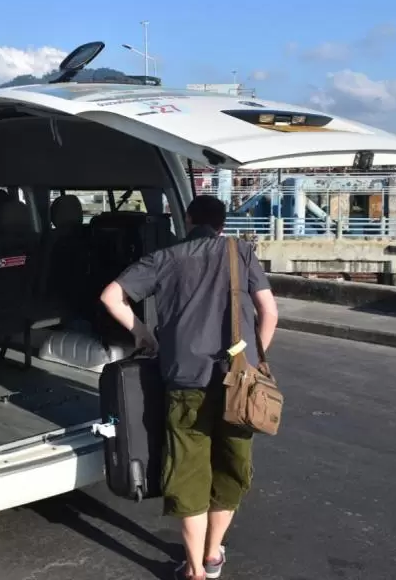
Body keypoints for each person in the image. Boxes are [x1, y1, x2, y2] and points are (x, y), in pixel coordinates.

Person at [99, 195, 278, 580]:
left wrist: (144, 335)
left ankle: (195, 569)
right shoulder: (241, 252)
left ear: (188, 220)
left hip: (184, 382)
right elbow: (270, 312)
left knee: (188, 472)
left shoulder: (165, 258)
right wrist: (255, 362)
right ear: (222, 224)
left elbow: (111, 297)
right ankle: (214, 556)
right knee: (231, 467)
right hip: (238, 382)